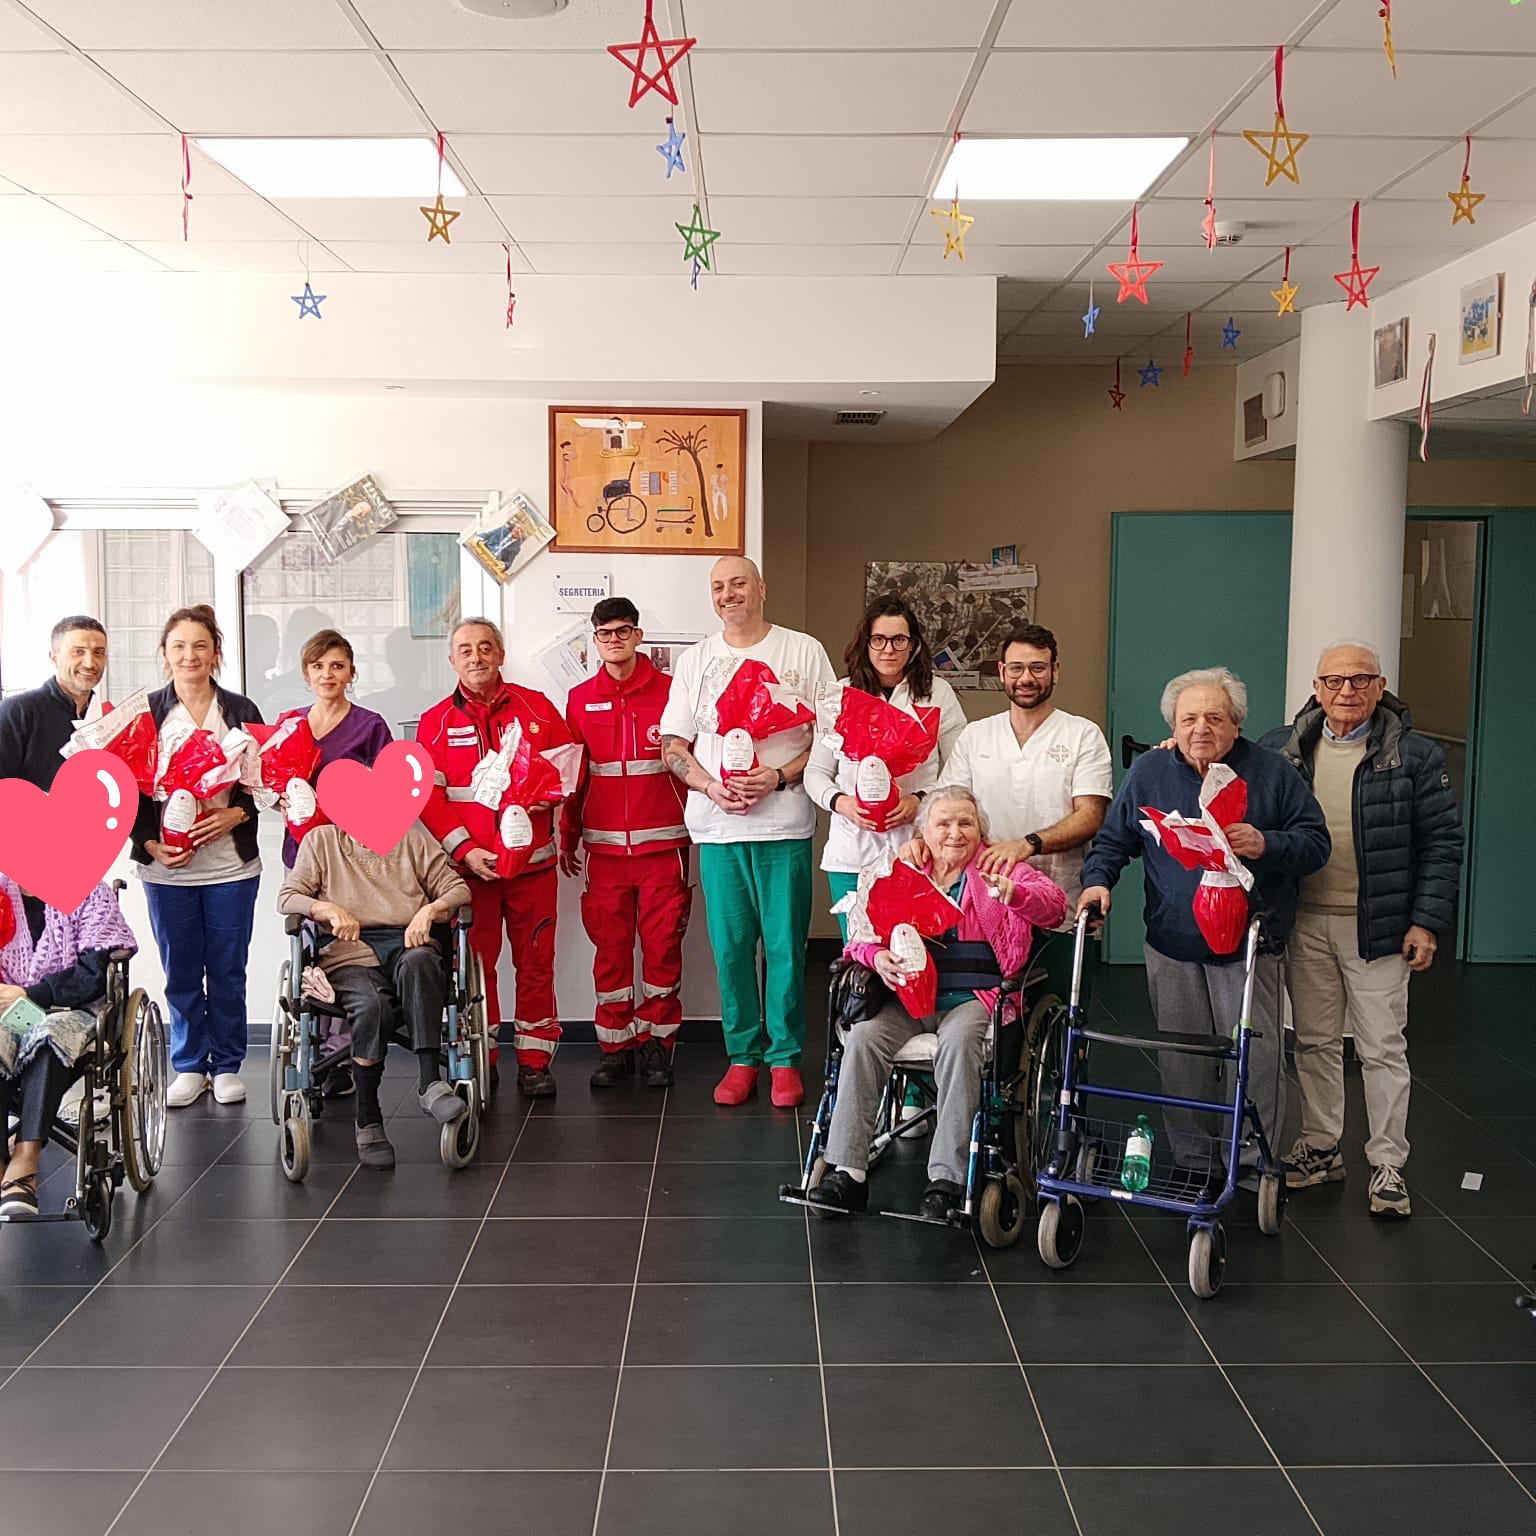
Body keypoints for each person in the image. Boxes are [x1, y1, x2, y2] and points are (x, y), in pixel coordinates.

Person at [1079, 667, 1329, 1182]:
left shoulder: (1273, 773)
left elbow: (1316, 843)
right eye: (1189, 718)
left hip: (1250, 944)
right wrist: (1097, 882)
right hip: (1172, 943)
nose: (1201, 728)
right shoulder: (1150, 771)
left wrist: (1266, 843)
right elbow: (1114, 840)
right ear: (1172, 724)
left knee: (1255, 1059)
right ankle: (1194, 1161)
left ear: (1237, 724)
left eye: (1215, 718)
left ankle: (1253, 1161)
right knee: (1182, 1059)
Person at [1261, 641, 1464, 1218]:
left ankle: (1388, 1163)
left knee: (1382, 1048)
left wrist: (1425, 921)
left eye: (1359, 679)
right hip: (1305, 920)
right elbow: (1226, 771)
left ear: (1380, 687)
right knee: (1315, 1042)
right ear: (1316, 688)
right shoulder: (1281, 748)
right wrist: (1176, 747)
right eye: (1334, 680)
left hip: (1379, 926)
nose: (1345, 691)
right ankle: (1321, 1147)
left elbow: (1442, 843)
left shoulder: (1414, 755)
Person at [806, 786, 1067, 1218]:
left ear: (980, 829)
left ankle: (946, 1178)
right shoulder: (903, 868)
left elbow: (1055, 907)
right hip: (909, 997)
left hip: (974, 997)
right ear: (923, 831)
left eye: (965, 823)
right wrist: (877, 957)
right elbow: (860, 936)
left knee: (960, 1043)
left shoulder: (1000, 866)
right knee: (864, 1037)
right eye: (943, 823)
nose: (954, 833)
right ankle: (848, 1171)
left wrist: (1015, 895)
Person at [660, 556, 836, 1108]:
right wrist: (710, 786)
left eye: (738, 583)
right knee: (732, 950)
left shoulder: (802, 651)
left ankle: (784, 1059)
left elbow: (830, 736)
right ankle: (742, 1056)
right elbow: (673, 746)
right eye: (718, 586)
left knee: (785, 947)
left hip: (783, 823)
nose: (728, 593)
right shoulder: (696, 660)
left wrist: (779, 776)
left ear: (761, 587)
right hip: (718, 828)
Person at [417, 617, 575, 1099]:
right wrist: (466, 850)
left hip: (533, 869)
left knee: (536, 963)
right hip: (470, 875)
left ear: (501, 655)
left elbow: (569, 771)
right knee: (474, 968)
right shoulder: (434, 723)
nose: (476, 657)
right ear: (452, 660)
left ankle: (534, 1060)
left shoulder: (537, 708)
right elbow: (430, 800)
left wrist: (546, 797)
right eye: (465, 650)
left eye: (486, 647)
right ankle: (480, 1058)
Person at [277, 822, 471, 1169]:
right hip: (348, 953)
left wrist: (429, 911)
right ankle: (368, 1117)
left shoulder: (412, 841)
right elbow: (287, 897)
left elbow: (458, 889)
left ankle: (430, 1082)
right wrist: (326, 910)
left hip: (407, 942)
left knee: (423, 964)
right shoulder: (322, 841)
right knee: (371, 1005)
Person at [130, 606, 263, 1109]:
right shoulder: (146, 715)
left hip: (231, 866)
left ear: (215, 654)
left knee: (228, 969)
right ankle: (188, 1064)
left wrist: (237, 814)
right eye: (179, 646)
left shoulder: (240, 710)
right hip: (167, 870)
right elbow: (128, 791)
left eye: (200, 646)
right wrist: (149, 844)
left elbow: (265, 778)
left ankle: (226, 1064)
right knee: (181, 970)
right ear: (165, 655)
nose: (190, 655)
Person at [938, 624, 1112, 1002]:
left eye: (1037, 667)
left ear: (1055, 671)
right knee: (992, 1014)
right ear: (1002, 672)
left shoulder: (1082, 735)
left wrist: (1027, 844)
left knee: (1061, 1010)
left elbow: (1090, 815)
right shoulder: (976, 736)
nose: (1026, 678)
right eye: (1016, 668)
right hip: (988, 904)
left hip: (1062, 901)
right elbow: (947, 806)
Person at [560, 598, 691, 1091]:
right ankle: (615, 1047)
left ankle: (658, 1044)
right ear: (594, 640)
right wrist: (568, 836)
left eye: (623, 631)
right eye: (605, 633)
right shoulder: (578, 699)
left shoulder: (673, 692)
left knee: (662, 951)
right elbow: (574, 776)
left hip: (664, 850)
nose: (614, 640)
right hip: (605, 853)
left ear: (638, 636)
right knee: (611, 953)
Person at [804, 596, 966, 936]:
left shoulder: (938, 693)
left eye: (898, 640)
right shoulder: (841, 695)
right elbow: (815, 773)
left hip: (919, 849)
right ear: (865, 643)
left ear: (914, 644)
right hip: (853, 851)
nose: (888, 649)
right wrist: (842, 803)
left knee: (914, 951)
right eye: (878, 639)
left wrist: (920, 800)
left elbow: (959, 771)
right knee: (860, 952)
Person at [0, 875, 138, 1216]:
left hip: (71, 1009)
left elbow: (95, 974)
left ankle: (26, 1158)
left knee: (49, 1037)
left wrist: (32, 994)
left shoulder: (89, 893)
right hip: (7, 1010)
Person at [276, 628, 393, 870]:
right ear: (306, 674)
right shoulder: (290, 724)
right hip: (300, 852)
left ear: (351, 673)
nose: (327, 675)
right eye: (317, 666)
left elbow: (390, 794)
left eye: (337, 666)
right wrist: (279, 800)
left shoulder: (370, 726)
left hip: (352, 855)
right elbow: (272, 782)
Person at [0, 615, 108, 790]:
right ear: (54, 657)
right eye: (78, 652)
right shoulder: (17, 712)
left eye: (98, 653)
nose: (90, 663)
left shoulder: (106, 718)